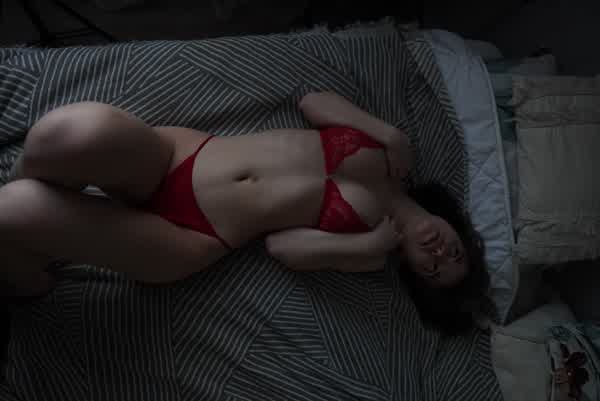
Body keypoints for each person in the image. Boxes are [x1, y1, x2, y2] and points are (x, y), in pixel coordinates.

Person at [0, 91, 490, 334]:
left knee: (14, 209)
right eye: (455, 255)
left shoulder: (372, 252)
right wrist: (388, 132)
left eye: (433, 271)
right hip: (179, 157)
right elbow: (313, 102)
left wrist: (367, 244)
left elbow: (284, 247)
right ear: (458, 229)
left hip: (192, 232)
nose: (439, 255)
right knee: (65, 133)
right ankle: (26, 230)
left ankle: (26, 279)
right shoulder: (396, 156)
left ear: (413, 271)